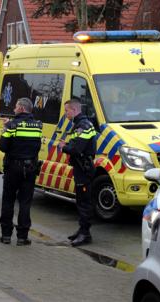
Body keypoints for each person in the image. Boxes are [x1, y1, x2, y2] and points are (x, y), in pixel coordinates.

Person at [0, 98, 42, 246]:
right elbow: (36, 148)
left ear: (22, 108)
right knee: (25, 202)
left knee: (8, 200)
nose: (14, 110)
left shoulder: (11, 125)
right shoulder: (37, 126)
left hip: (13, 168)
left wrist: (6, 129)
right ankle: (22, 237)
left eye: (16, 107)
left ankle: (6, 235)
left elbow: (3, 146)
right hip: (30, 169)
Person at [58, 98, 97, 247]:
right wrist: (68, 145)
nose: (66, 113)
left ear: (74, 110)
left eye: (67, 110)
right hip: (81, 167)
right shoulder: (81, 124)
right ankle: (81, 230)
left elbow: (77, 149)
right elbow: (78, 145)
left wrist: (64, 147)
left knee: (84, 203)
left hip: (84, 168)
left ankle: (85, 234)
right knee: (81, 201)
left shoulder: (83, 126)